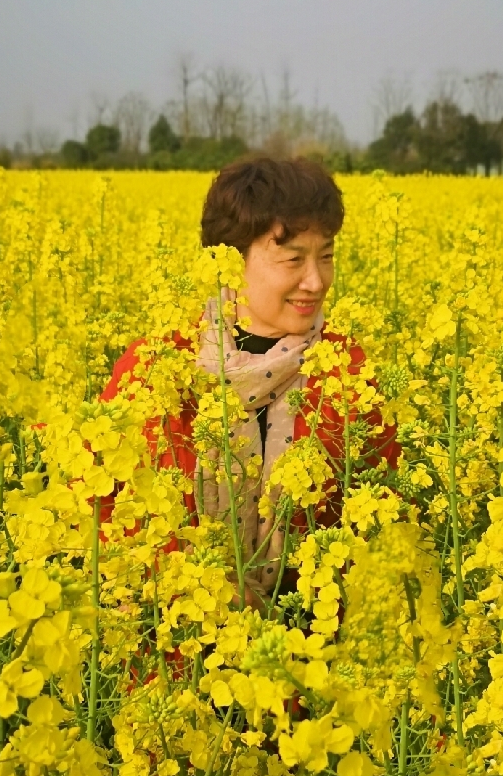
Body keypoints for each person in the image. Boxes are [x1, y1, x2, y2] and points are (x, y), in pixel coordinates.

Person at [101, 155, 399, 604]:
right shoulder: (155, 367)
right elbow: (99, 515)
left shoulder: (347, 371)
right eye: (293, 259)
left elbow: (381, 523)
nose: (316, 282)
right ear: (231, 264)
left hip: (312, 652)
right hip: (174, 652)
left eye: (327, 257)